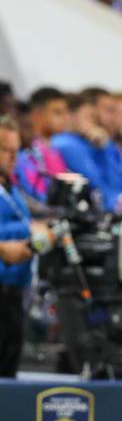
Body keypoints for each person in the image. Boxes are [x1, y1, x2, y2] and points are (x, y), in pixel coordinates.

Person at [0, 116, 34, 377]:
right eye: (5, 150)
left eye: (16, 150)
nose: (13, 157)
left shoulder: (12, 188)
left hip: (15, 292)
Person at [15, 88, 68, 203]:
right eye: (57, 112)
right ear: (36, 115)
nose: (65, 118)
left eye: (65, 112)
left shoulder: (55, 150)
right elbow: (39, 197)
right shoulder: (27, 153)